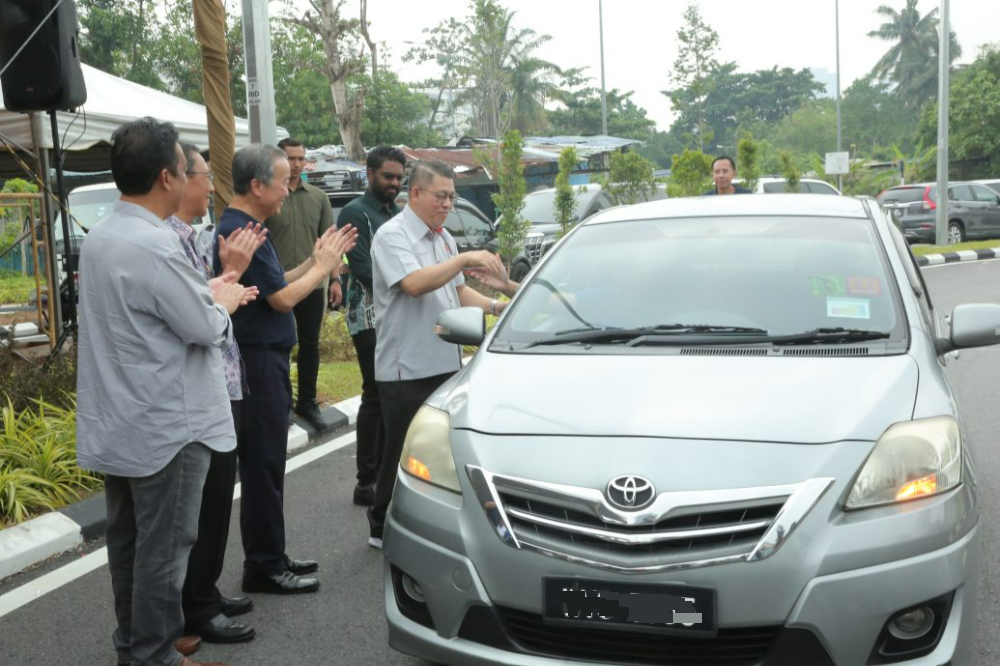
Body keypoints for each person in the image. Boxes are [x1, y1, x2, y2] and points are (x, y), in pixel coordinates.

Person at [76, 116, 254, 666]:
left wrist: (204, 290)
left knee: (129, 545)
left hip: (122, 420)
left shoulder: (104, 234)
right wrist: (221, 301)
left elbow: (148, 312)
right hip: (167, 427)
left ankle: (135, 645)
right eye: (184, 167)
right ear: (165, 178)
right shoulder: (156, 245)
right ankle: (155, 655)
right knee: (164, 552)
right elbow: (202, 328)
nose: (187, 176)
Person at [215, 144, 357, 594]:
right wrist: (323, 267)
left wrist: (315, 261)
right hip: (257, 360)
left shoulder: (251, 226)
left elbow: (276, 282)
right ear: (256, 185)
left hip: (266, 358)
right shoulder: (240, 230)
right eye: (281, 181)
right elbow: (283, 299)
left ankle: (271, 555)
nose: (288, 188)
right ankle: (262, 565)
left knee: (270, 463)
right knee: (262, 463)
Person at [367, 161, 517, 549]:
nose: (448, 204)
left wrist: (497, 307)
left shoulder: (443, 239)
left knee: (442, 452)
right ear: (415, 194)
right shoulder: (392, 236)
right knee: (402, 450)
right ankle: (380, 522)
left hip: (445, 360)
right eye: (441, 196)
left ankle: (431, 523)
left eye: (452, 196)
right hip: (405, 366)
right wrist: (465, 259)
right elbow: (415, 284)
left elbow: (456, 292)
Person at [168, 143, 265, 645]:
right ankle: (195, 606)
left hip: (221, 378)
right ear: (176, 179)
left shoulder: (193, 237)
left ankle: (203, 591)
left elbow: (203, 295)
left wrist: (227, 275)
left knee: (215, 497)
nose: (210, 186)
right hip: (200, 386)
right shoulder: (164, 241)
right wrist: (229, 282)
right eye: (204, 175)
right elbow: (193, 313)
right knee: (201, 504)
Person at [336, 146, 407, 507]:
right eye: (388, 176)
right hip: (366, 316)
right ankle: (366, 481)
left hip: (395, 316)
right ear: (370, 174)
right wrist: (407, 283)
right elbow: (361, 266)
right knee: (375, 394)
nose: (394, 183)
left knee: (390, 394)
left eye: (399, 177)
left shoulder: (398, 213)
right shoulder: (354, 213)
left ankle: (385, 473)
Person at [263, 137, 335, 432]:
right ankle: (282, 406)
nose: (296, 165)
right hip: (276, 287)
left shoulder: (318, 198)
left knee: (310, 346)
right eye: (290, 159)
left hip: (312, 285)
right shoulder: (269, 199)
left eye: (300, 159)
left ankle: (307, 402)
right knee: (279, 346)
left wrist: (335, 280)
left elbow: (330, 243)